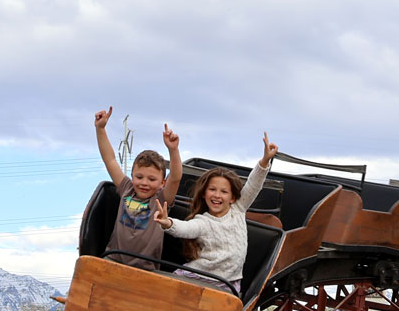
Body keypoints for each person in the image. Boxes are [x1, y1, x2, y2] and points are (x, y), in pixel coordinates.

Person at [154, 132, 278, 293]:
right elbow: (185, 228)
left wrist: (264, 161)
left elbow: (253, 185)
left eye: (223, 192)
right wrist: (168, 223)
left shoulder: (238, 210)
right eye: (212, 190)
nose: (217, 195)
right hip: (198, 276)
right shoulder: (203, 221)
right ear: (204, 194)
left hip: (227, 282)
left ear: (232, 197)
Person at [94, 105, 183, 269]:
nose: (144, 183)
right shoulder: (126, 188)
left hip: (145, 269)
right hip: (113, 261)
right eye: (139, 177)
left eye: (151, 179)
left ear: (162, 183)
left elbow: (176, 177)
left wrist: (173, 150)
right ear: (132, 175)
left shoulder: (161, 199)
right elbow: (110, 160)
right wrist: (100, 129)